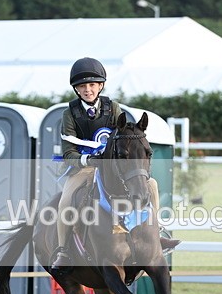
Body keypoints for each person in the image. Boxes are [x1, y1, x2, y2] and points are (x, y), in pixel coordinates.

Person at [51, 57, 163, 271]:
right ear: (76, 89)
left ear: (100, 85)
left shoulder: (112, 108)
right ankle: (63, 249)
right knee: (66, 200)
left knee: (152, 185)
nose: (88, 90)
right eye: (82, 86)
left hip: (111, 168)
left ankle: (156, 233)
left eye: (92, 85)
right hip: (83, 167)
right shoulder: (70, 114)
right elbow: (68, 152)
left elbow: (123, 135)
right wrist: (88, 160)